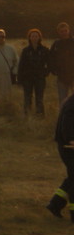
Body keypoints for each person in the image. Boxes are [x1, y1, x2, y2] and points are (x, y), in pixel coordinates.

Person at [45, 86, 74, 222]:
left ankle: (55, 204)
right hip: (69, 148)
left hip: (67, 146)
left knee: (72, 178)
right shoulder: (71, 104)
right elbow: (66, 125)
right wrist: (71, 139)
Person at [18, 28, 50, 117]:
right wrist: (19, 78)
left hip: (40, 77)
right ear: (29, 38)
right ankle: (27, 114)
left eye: (36, 36)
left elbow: (50, 63)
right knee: (27, 97)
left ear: (39, 37)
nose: (34, 38)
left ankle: (39, 114)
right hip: (27, 77)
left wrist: (45, 72)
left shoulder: (45, 50)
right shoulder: (26, 51)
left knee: (39, 97)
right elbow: (21, 65)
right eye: (32, 36)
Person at [49, 22, 74, 106]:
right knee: (63, 101)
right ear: (58, 32)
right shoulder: (56, 44)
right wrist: (53, 70)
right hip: (61, 76)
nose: (64, 33)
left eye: (65, 30)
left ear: (69, 31)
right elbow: (51, 58)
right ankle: (63, 118)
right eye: (61, 31)